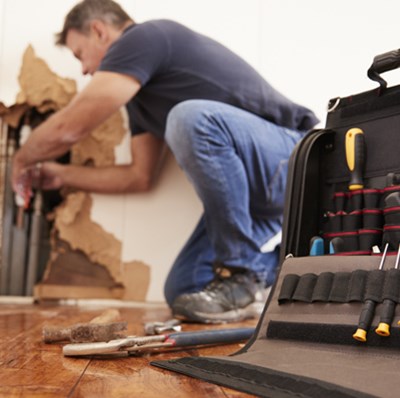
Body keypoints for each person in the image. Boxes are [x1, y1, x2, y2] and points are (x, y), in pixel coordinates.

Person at [12, 0, 319, 323]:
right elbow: (139, 176)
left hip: (291, 160)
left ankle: (242, 274)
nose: (84, 70)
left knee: (188, 118)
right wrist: (61, 176)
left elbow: (72, 126)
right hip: (252, 200)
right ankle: (293, 271)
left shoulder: (145, 37)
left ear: (99, 31)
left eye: (80, 55)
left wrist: (22, 158)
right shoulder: (139, 102)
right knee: (185, 288)